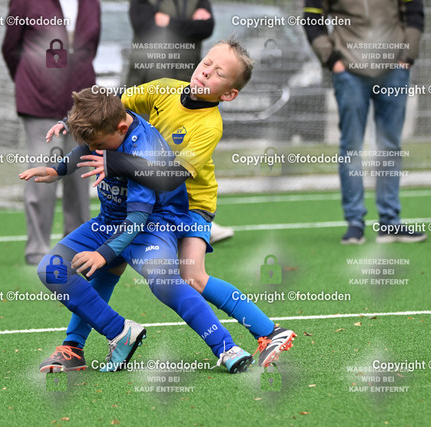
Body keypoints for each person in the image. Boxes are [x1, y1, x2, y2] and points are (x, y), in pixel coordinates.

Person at [44, 39, 296, 371]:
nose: (206, 72)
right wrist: (69, 121)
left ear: (229, 94)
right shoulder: (164, 89)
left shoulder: (209, 126)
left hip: (190, 204)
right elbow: (111, 106)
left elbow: (169, 177)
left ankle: (269, 332)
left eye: (219, 74)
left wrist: (115, 162)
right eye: (207, 63)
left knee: (192, 277)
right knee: (106, 268)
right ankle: (76, 346)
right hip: (150, 198)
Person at [20, 88, 254, 374]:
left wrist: (103, 254)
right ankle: (114, 334)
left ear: (121, 129)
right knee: (51, 268)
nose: (95, 149)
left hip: (150, 225)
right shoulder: (108, 125)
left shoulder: (144, 150)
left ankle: (227, 348)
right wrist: (57, 170)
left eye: (98, 144)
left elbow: (138, 218)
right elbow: (88, 147)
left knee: (164, 282)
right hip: (109, 221)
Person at [302, 0, 426, 244]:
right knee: (351, 147)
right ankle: (355, 222)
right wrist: (333, 61)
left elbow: (415, 13)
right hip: (349, 73)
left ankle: (390, 222)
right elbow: (312, 19)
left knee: (389, 146)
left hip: (393, 70)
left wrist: (407, 56)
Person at [2, 0, 100, 264]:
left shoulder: (91, 3)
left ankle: (77, 245)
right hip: (39, 102)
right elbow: (10, 47)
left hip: (81, 103)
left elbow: (90, 48)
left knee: (80, 175)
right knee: (42, 175)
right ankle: (37, 249)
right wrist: (32, 79)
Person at [127, 0, 232, 244]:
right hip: (150, 82)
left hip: (186, 85)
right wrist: (187, 24)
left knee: (185, 157)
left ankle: (194, 217)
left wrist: (169, 22)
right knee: (142, 150)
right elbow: (145, 26)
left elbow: (206, 28)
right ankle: (140, 217)